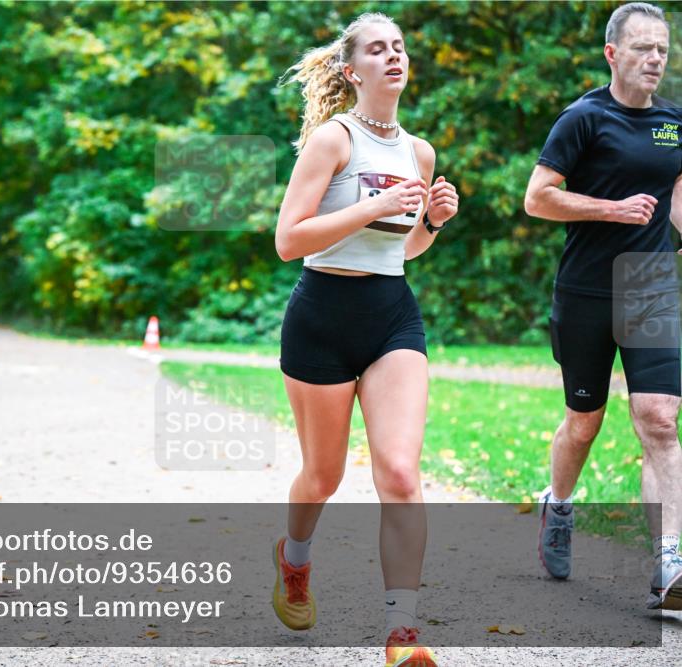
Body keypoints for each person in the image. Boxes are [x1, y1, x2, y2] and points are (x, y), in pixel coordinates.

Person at [273, 12, 458, 665]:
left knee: (402, 473)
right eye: (377, 50)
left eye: (400, 47)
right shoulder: (333, 140)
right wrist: (375, 206)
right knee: (321, 476)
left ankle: (402, 632)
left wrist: (429, 223)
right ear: (352, 71)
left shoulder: (420, 150)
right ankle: (294, 560)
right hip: (321, 315)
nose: (393, 57)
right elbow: (289, 239)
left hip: (391, 315)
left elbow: (401, 252)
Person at [523, 2, 681, 611]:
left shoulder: (674, 124)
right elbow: (538, 199)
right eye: (642, 48)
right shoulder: (583, 119)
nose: (655, 59)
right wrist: (610, 209)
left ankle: (670, 564)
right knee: (584, 423)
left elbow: (677, 198)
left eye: (662, 49)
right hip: (587, 287)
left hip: (649, 282)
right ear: (613, 54)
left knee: (660, 418)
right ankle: (558, 506)